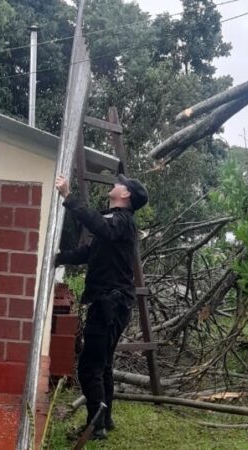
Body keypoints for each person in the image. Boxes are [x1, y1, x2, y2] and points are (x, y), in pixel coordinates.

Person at [54, 172, 149, 440]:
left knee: (88, 367)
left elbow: (99, 227)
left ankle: (95, 427)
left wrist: (69, 197)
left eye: (120, 184)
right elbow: (89, 253)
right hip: (112, 303)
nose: (114, 184)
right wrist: (57, 258)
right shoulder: (115, 225)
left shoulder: (123, 221)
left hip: (110, 303)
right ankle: (104, 419)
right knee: (103, 363)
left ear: (125, 194)